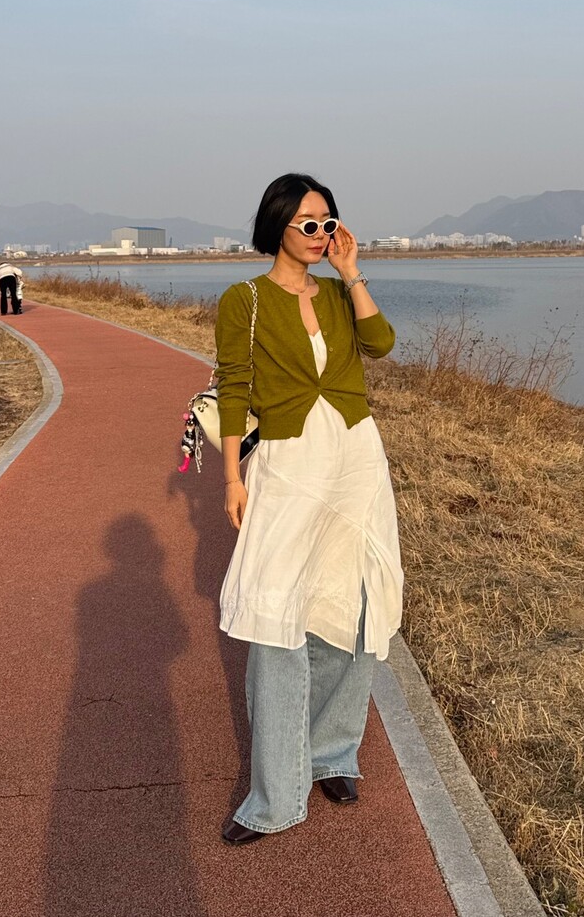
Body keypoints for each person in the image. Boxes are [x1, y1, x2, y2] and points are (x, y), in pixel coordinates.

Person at [215, 173, 403, 845]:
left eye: (328, 222)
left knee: (354, 605)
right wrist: (232, 475)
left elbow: (381, 344)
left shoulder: (339, 294)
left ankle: (333, 752)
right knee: (276, 615)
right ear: (278, 228)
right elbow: (233, 386)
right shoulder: (244, 300)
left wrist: (352, 273)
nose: (321, 234)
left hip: (354, 458)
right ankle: (275, 795)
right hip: (291, 463)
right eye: (308, 224)